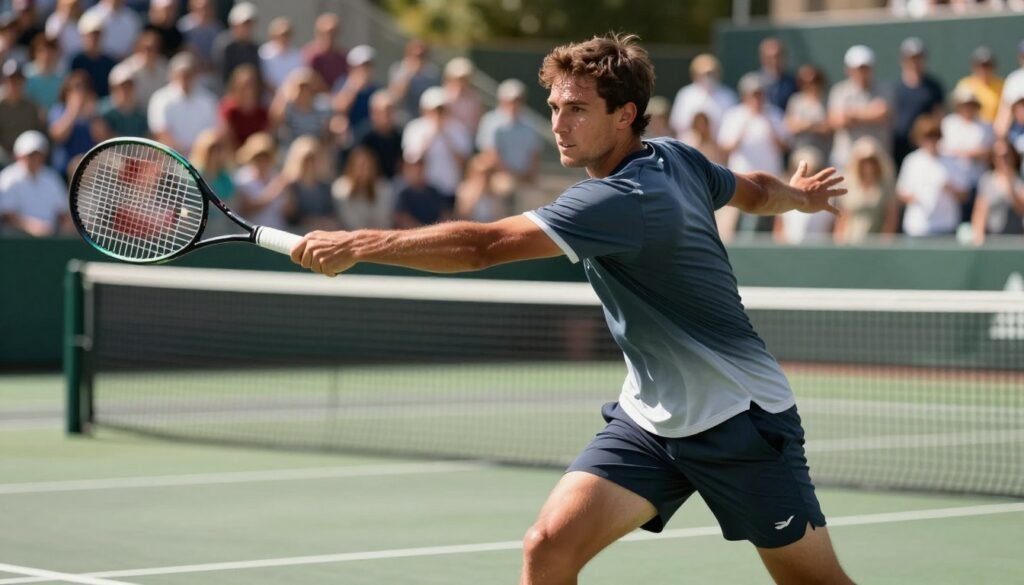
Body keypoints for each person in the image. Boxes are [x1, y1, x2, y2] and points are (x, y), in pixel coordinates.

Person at [288, 33, 853, 585]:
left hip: (741, 421)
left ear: (625, 114)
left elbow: (481, 247)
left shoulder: (619, 199)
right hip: (652, 422)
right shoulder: (677, 157)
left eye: (578, 109)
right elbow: (750, 187)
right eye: (555, 106)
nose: (558, 124)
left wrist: (358, 244)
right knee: (547, 548)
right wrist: (798, 197)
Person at [897, 115, 968, 237]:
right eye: (926, 137)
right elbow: (901, 193)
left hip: (946, 226)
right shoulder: (912, 161)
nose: (931, 141)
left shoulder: (952, 161)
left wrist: (949, 188)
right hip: (917, 227)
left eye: (934, 136)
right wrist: (919, 197)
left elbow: (964, 195)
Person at [401, 86, 472, 199]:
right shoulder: (414, 128)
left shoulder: (459, 129)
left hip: (450, 189)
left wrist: (445, 136)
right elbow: (412, 160)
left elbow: (464, 162)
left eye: (441, 110)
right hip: (423, 191)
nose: (438, 114)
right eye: (434, 110)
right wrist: (432, 134)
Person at [828, 44, 890, 171]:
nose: (861, 73)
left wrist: (852, 114)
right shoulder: (839, 91)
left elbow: (882, 114)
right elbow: (837, 120)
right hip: (846, 159)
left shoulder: (884, 89)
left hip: (877, 160)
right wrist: (868, 113)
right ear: (848, 70)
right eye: (857, 69)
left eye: (865, 68)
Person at [0, 130, 69, 236]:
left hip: (49, 241)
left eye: (38, 154)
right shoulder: (7, 178)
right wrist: (32, 227)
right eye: (31, 155)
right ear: (19, 156)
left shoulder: (52, 178)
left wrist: (67, 229)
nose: (35, 159)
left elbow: (62, 213)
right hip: (15, 242)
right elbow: (7, 215)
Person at [147, 52, 219, 154]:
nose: (185, 78)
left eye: (189, 74)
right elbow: (160, 132)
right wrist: (181, 156)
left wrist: (197, 154)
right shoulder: (159, 99)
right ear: (172, 75)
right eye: (181, 74)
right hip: (170, 158)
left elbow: (214, 132)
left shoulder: (209, 100)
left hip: (202, 160)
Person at [476, 78, 543, 186]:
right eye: (511, 101)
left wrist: (528, 177)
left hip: (525, 179)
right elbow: (490, 155)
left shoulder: (530, 124)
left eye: (518, 100)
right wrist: (512, 176)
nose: (514, 104)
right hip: (497, 178)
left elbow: (534, 155)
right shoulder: (491, 121)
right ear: (502, 100)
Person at [834, 136, 898, 244]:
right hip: (850, 241)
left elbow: (891, 217)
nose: (867, 165)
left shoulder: (885, 185)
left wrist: (885, 242)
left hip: (876, 243)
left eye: (871, 161)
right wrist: (839, 242)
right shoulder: (848, 184)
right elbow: (843, 216)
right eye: (863, 161)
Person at [891, 37, 944, 167]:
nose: (914, 62)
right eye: (910, 58)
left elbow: (939, 116)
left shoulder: (934, 86)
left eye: (918, 57)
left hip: (925, 147)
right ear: (903, 60)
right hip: (898, 147)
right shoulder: (894, 88)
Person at [669, 53, 736, 140]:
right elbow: (677, 124)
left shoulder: (728, 95)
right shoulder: (685, 95)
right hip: (690, 147)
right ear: (695, 74)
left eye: (711, 73)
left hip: (717, 149)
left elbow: (732, 126)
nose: (707, 77)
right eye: (704, 73)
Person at [971, 139, 1024, 244]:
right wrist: (978, 237)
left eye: (1006, 156)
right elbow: (980, 211)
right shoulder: (986, 180)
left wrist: (1010, 185)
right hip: (992, 240)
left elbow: (1021, 209)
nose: (1003, 160)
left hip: (1016, 241)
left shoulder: (1020, 181)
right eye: (998, 156)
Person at [233, 132, 287, 229]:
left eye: (266, 157)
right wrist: (273, 191)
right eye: (258, 157)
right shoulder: (242, 178)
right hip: (251, 235)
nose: (262, 161)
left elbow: (289, 211)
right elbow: (246, 209)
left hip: (277, 232)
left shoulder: (276, 176)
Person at [332, 146, 394, 230]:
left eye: (368, 166)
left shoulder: (383, 188)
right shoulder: (340, 189)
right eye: (360, 166)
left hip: (380, 238)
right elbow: (350, 224)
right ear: (351, 167)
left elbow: (385, 222)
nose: (365, 171)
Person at [0, 59, 46, 166]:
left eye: (18, 80)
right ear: (5, 81)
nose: (15, 84)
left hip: (28, 157)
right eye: (11, 80)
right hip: (4, 158)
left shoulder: (32, 107)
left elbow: (37, 134)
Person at [354, 89, 403, 182]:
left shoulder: (400, 135)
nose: (387, 115)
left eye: (390, 110)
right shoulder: (363, 136)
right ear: (373, 112)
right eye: (384, 111)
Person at [785, 64, 832, 161]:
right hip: (801, 153)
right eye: (805, 82)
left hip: (824, 154)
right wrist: (814, 125)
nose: (811, 85)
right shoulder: (796, 100)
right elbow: (790, 126)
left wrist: (808, 125)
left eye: (815, 80)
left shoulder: (827, 100)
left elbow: (829, 127)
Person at [388, 38, 440, 124]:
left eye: (421, 56)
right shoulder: (398, 70)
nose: (418, 59)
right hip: (403, 120)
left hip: (424, 121)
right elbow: (395, 98)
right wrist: (409, 75)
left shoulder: (432, 74)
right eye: (414, 55)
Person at [219, 63, 269, 148]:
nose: (248, 89)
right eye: (244, 85)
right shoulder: (229, 110)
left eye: (251, 84)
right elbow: (227, 138)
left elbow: (265, 137)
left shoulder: (262, 111)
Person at [393, 156, 450, 228]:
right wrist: (423, 231)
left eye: (419, 168)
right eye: (412, 169)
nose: (416, 172)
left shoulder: (434, 192)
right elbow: (401, 218)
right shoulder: (403, 194)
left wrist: (435, 230)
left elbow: (445, 214)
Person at [211, 2, 261, 86]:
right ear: (234, 25)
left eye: (249, 24)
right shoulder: (224, 45)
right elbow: (221, 74)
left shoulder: (254, 47)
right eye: (244, 24)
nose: (247, 28)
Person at [69, 12, 116, 98]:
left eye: (97, 35)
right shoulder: (76, 61)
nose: (94, 38)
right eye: (90, 35)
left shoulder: (110, 62)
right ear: (83, 36)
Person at [954, 46, 1003, 125]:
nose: (984, 69)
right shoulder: (965, 85)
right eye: (980, 65)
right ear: (974, 66)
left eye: (987, 65)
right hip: (971, 128)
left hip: (995, 130)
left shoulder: (1002, 85)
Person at [119, 29, 168, 108]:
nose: (148, 52)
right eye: (145, 48)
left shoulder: (164, 66)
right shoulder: (127, 69)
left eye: (153, 48)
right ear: (138, 48)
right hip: (137, 115)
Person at [98, 63, 147, 138]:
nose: (125, 91)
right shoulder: (101, 111)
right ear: (112, 88)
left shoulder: (141, 115)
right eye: (121, 87)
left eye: (129, 86)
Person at [259, 17, 303, 95]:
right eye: (281, 35)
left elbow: (299, 78)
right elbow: (264, 79)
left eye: (287, 34)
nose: (284, 38)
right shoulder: (264, 53)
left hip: (292, 98)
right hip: (270, 99)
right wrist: (279, 96)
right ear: (273, 35)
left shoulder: (297, 55)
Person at [303, 13, 347, 90]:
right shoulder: (310, 55)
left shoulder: (342, 56)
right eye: (327, 32)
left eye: (333, 32)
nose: (330, 36)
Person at [24, 35, 65, 116]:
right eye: (41, 51)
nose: (46, 56)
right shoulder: (25, 75)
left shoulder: (63, 77)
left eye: (50, 52)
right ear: (35, 53)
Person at [758, 37, 797, 112]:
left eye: (777, 56)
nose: (774, 61)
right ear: (762, 58)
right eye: (769, 57)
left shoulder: (792, 82)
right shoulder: (755, 82)